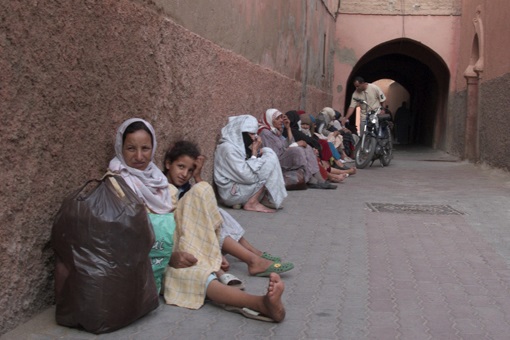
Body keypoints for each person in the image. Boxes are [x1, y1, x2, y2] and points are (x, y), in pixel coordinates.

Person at [108, 118, 286, 322]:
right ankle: (257, 303)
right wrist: (170, 256)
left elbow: (179, 215)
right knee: (190, 274)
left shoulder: (155, 176)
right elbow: (129, 232)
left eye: (145, 148)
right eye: (131, 148)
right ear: (120, 148)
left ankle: (228, 264)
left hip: (179, 242)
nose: (139, 156)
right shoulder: (117, 181)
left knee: (201, 190)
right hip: (153, 255)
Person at [163, 140, 294, 278]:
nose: (184, 174)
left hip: (192, 227)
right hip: (179, 234)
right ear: (168, 164)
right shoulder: (162, 186)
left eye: (190, 170)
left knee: (219, 213)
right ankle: (253, 260)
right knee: (210, 217)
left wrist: (196, 175)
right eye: (180, 167)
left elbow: (207, 199)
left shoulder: (183, 186)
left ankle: (253, 253)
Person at [214, 115, 288, 213]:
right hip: (232, 193)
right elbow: (247, 176)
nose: (254, 138)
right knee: (269, 162)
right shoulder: (228, 149)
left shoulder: (236, 145)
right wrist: (254, 152)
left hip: (239, 185)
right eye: (252, 134)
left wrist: (256, 153)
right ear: (240, 133)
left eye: (255, 134)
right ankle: (252, 203)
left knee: (267, 151)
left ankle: (264, 197)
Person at [258, 108, 337, 190]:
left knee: (307, 147)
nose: (281, 120)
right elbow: (274, 154)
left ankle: (320, 179)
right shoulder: (265, 133)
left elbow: (287, 143)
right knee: (297, 150)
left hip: (283, 157)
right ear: (270, 120)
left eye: (281, 118)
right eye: (277, 119)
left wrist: (288, 128)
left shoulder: (276, 131)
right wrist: (296, 145)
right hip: (275, 161)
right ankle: (310, 179)